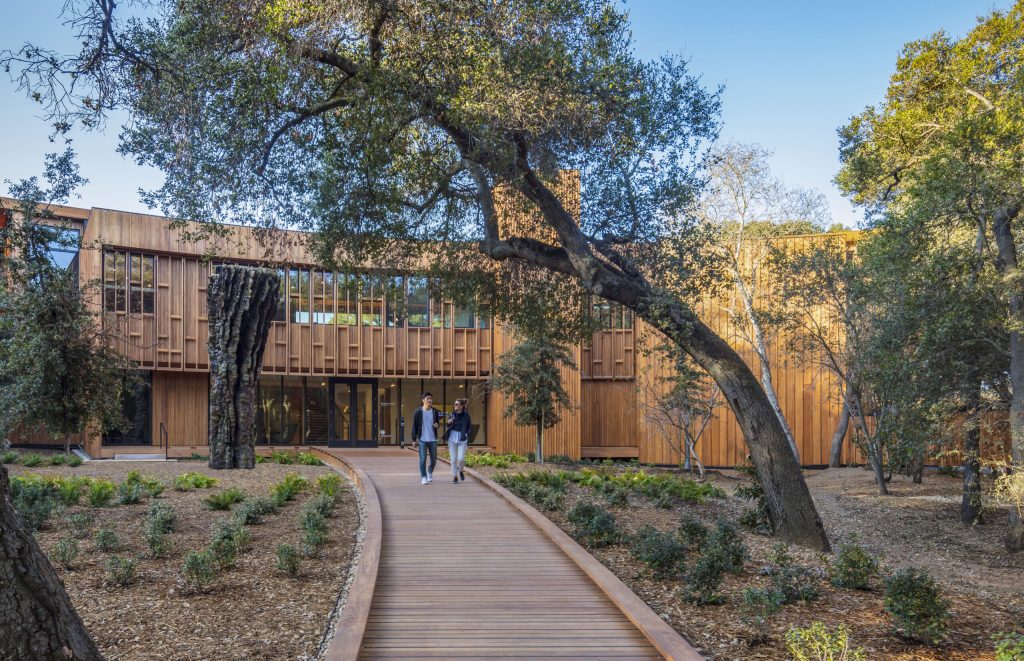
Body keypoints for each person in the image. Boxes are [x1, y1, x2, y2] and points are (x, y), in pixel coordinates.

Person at [412, 392, 441, 485]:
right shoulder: (418, 412)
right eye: (428, 398)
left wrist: (437, 425)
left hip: (432, 439)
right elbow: (414, 426)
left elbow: (437, 424)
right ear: (423, 400)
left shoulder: (435, 411)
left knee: (434, 459)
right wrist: (413, 439)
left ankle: (429, 472)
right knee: (423, 459)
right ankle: (423, 477)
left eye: (431, 399)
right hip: (422, 439)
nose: (430, 400)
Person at [446, 398, 472, 484]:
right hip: (452, 438)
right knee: (453, 459)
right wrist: (449, 422)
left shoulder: (466, 415)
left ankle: (460, 470)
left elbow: (469, 427)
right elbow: (448, 426)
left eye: (457, 404)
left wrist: (466, 434)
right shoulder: (452, 414)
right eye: (455, 404)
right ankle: (455, 476)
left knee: (460, 459)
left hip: (462, 438)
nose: (455, 406)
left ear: (462, 406)